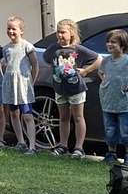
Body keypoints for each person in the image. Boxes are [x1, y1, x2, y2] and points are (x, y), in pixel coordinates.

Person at [42, 19, 102, 158]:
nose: (60, 35)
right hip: (60, 88)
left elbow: (98, 59)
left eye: (63, 32)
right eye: (58, 32)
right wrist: (57, 69)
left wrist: (85, 71)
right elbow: (47, 59)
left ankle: (79, 147)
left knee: (78, 117)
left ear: (72, 33)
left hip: (76, 89)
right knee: (63, 117)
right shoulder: (53, 49)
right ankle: (63, 145)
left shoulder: (78, 49)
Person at [1, 17, 39, 155]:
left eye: (14, 29)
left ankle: (32, 146)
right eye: (9, 28)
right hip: (11, 86)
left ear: (21, 31)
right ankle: (21, 141)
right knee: (14, 113)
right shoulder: (6, 49)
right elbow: (5, 65)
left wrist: (31, 82)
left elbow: (35, 66)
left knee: (27, 115)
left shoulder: (27, 46)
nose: (11, 31)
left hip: (24, 85)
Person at [98, 30, 128, 165]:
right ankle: (111, 153)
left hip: (124, 102)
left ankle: (127, 155)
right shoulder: (106, 61)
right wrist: (104, 81)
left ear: (122, 44)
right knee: (109, 129)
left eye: (113, 42)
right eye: (108, 42)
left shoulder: (126, 61)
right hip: (108, 101)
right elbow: (100, 72)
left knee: (125, 130)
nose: (109, 44)